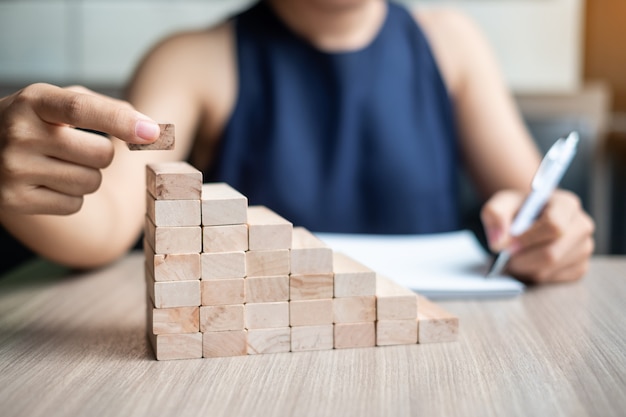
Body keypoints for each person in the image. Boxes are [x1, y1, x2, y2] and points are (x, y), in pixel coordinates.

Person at [0, 0, 594, 282]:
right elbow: (107, 220)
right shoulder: (191, 63)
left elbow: (531, 205)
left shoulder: (453, 45)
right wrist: (13, 181)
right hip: (262, 361)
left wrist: (552, 230)